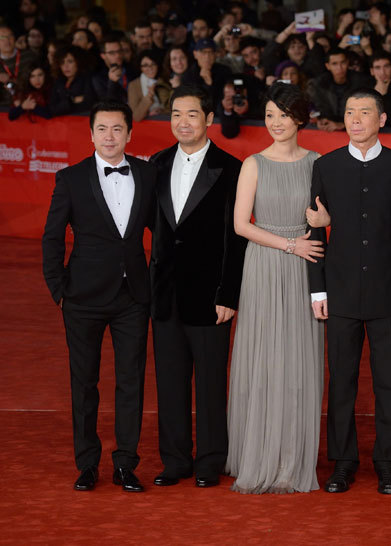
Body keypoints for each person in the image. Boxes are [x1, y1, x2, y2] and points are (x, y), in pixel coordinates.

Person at [305, 88, 391, 495]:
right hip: (339, 291)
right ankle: (343, 462)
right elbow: (315, 230)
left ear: (382, 119)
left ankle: (388, 463)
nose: (355, 119)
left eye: (364, 112)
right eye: (350, 112)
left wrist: (384, 258)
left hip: (389, 291)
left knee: (389, 381)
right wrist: (318, 291)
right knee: (342, 381)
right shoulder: (327, 166)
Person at [41, 100, 157, 493]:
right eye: (102, 129)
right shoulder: (70, 179)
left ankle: (126, 463)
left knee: (131, 382)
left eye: (117, 129)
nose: (110, 136)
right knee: (84, 383)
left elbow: (162, 234)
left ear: (129, 133)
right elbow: (53, 237)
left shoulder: (147, 173)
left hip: (133, 298)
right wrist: (59, 289)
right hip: (83, 298)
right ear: (91, 134)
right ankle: (87, 464)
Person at [225, 82, 324, 494]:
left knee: (300, 363)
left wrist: (318, 227)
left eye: (283, 115)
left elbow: (326, 216)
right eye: (269, 115)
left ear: (299, 118)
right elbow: (241, 224)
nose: (275, 123)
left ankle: (291, 459)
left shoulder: (319, 162)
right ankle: (257, 453)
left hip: (306, 269)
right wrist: (289, 244)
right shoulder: (253, 164)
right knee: (263, 360)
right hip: (266, 266)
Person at [148, 85, 247, 488]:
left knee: (210, 382)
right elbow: (155, 228)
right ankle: (174, 459)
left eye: (191, 114)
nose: (182, 122)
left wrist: (228, 294)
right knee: (169, 382)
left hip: (211, 296)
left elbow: (236, 239)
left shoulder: (231, 167)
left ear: (209, 119)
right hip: (165, 293)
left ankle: (209, 460)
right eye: (175, 114)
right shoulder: (155, 164)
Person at [128, 49, 171, 122]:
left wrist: (161, 111)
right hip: (146, 127)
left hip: (165, 122)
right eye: (145, 65)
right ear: (140, 68)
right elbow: (136, 117)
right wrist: (149, 96)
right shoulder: (134, 85)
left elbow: (173, 108)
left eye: (153, 64)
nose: (150, 68)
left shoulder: (165, 81)